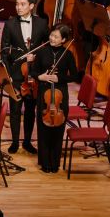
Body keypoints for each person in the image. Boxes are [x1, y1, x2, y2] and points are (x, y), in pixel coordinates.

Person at [0, 0, 49, 154]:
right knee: (14, 110)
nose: (18, 7)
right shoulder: (10, 24)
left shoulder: (42, 23)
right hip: (16, 74)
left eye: (22, 4)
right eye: (17, 4)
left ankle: (27, 141)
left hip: (34, 76)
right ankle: (14, 142)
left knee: (30, 110)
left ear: (31, 6)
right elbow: (4, 51)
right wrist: (9, 75)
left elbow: (47, 48)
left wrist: (37, 58)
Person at [32, 24, 81, 174]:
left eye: (56, 37)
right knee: (43, 129)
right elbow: (34, 71)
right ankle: (44, 162)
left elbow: (75, 75)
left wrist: (59, 78)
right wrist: (41, 77)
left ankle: (55, 162)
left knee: (58, 128)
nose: (52, 38)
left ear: (63, 40)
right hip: (44, 94)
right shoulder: (42, 52)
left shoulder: (68, 54)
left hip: (60, 95)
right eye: (51, 35)